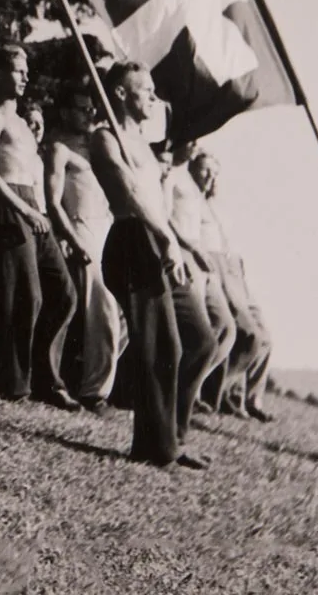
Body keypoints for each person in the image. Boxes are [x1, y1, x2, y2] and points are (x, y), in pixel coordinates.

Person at [89, 62, 209, 469]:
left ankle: (172, 436)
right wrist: (166, 240)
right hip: (133, 242)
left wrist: (174, 243)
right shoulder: (105, 138)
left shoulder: (142, 142)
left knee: (201, 338)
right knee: (162, 346)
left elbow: (158, 201)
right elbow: (131, 197)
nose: (154, 99)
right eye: (147, 91)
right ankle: (155, 448)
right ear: (121, 94)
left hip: (161, 244)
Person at [0, 46, 80, 408]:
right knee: (25, 297)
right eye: (17, 71)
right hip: (8, 205)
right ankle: (12, 382)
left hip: (33, 207)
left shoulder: (23, 123)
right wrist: (24, 209)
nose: (24, 77)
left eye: (25, 71)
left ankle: (44, 375)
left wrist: (42, 215)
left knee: (64, 293)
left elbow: (33, 174)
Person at [45, 83, 124, 414]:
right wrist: (73, 239)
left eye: (92, 108)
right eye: (81, 108)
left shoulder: (97, 145)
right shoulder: (59, 149)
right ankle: (94, 392)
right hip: (82, 227)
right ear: (65, 112)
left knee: (121, 312)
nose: (89, 113)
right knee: (103, 306)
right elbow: (53, 201)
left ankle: (90, 378)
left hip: (107, 226)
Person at [193, 149, 273, 420]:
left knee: (265, 337)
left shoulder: (216, 205)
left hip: (233, 266)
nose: (210, 178)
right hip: (212, 264)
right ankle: (212, 392)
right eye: (205, 170)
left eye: (215, 173)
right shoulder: (192, 200)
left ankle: (246, 398)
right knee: (249, 333)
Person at [162, 141, 234, 415]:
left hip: (202, 259)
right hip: (183, 252)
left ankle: (190, 387)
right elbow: (166, 217)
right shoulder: (172, 176)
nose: (208, 176)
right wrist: (191, 249)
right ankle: (177, 395)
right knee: (198, 330)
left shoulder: (197, 190)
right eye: (205, 170)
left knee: (225, 327)